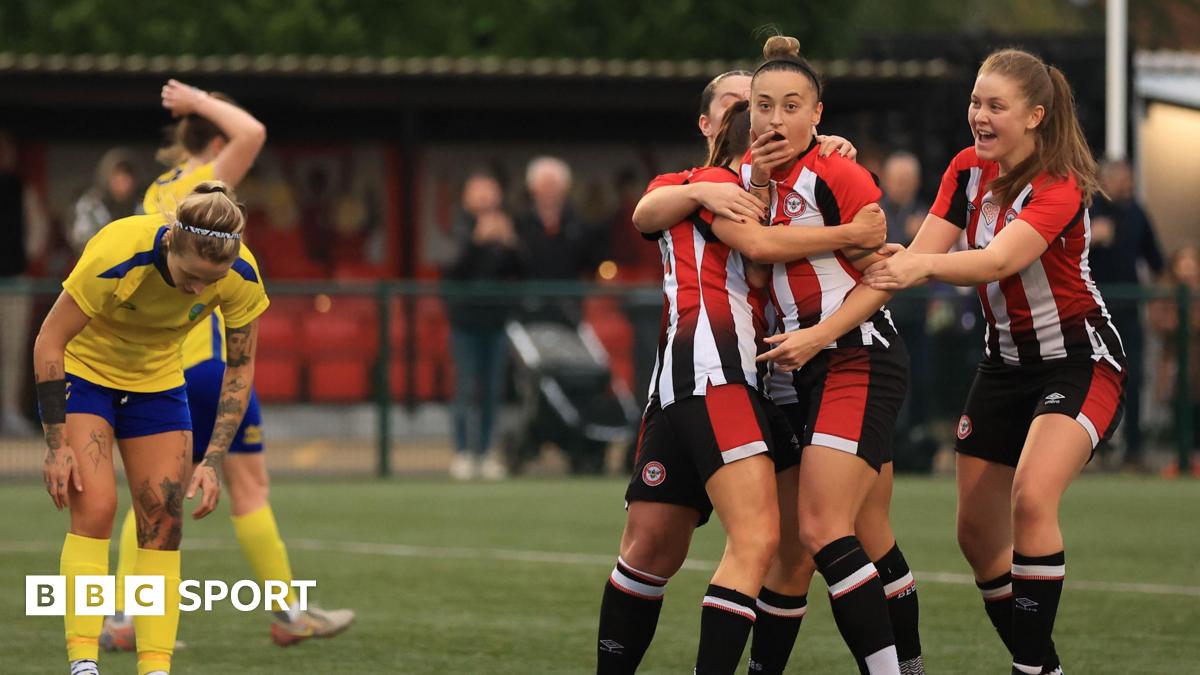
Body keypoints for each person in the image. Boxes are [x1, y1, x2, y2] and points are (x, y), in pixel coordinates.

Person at [596, 70, 875, 674]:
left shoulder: (777, 183)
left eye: (766, 105)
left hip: (725, 382)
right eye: (741, 104)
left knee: (659, 547)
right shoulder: (709, 179)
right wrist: (704, 191)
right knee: (754, 542)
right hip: (712, 369)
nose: (758, 116)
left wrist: (826, 150)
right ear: (706, 123)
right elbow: (649, 211)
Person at [861, 48, 1126, 675]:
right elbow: (918, 255)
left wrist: (919, 265)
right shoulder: (964, 168)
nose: (979, 115)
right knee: (978, 538)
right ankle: (1047, 666)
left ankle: (1030, 669)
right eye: (976, 101)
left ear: (1035, 116)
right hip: (1003, 365)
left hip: (1078, 360)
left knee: (1032, 498)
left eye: (995, 106)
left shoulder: (1059, 182)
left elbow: (996, 260)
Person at [104, 79, 353, 652]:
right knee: (223, 488)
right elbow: (254, 131)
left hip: (170, 359)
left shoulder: (160, 187)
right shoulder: (200, 182)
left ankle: (126, 613)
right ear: (214, 139)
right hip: (206, 362)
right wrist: (195, 98)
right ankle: (279, 612)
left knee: (163, 487)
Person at [729, 35, 916, 674]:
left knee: (819, 528)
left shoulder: (834, 169)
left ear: (817, 114)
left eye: (790, 106)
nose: (774, 119)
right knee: (850, 538)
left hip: (855, 357)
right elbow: (758, 261)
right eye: (762, 106)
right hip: (805, 373)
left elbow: (880, 270)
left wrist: (817, 333)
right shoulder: (750, 185)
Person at [36, 182, 266, 675]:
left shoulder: (240, 271)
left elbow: (241, 367)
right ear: (170, 244)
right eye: (192, 276)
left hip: (158, 384)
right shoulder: (119, 249)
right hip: (86, 376)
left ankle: (155, 668)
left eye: (213, 280)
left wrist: (213, 459)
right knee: (96, 508)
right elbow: (50, 341)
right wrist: (56, 445)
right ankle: (83, 663)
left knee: (163, 524)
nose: (200, 290)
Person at [443, 169, 523, 480]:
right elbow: (453, 270)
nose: (484, 197)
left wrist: (511, 243)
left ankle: (487, 451)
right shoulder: (458, 226)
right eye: (478, 191)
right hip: (464, 321)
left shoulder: (506, 224)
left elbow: (520, 269)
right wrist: (477, 242)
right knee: (464, 388)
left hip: (496, 319)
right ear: (466, 196)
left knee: (492, 390)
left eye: (489, 191)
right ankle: (463, 452)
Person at [1089, 158, 1164, 470]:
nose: (1125, 184)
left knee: (1131, 379)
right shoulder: (1088, 210)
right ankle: (1092, 452)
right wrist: (1092, 236)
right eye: (1119, 178)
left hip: (1129, 313)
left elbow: (1156, 260)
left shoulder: (1136, 213)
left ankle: (1133, 449)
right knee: (1092, 380)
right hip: (1092, 312)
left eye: (1127, 179)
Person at [0, 130, 39, 436]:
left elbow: (37, 227)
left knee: (12, 350)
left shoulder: (19, 188)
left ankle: (10, 411)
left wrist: (24, 258)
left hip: (14, 279)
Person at [1149, 246, 1200, 477]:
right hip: (1175, 364)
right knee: (1177, 409)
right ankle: (1180, 461)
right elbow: (1162, 323)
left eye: (1192, 262)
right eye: (1183, 262)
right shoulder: (1165, 290)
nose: (1188, 268)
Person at [70, 149, 141, 254]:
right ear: (107, 178)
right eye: (117, 176)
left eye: (126, 177)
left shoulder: (142, 207)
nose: (122, 183)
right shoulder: (91, 205)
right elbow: (83, 240)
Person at [880, 151, 927, 246]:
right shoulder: (875, 212)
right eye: (898, 180)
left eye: (906, 181)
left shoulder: (926, 215)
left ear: (917, 182)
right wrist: (908, 234)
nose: (902, 186)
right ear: (885, 181)